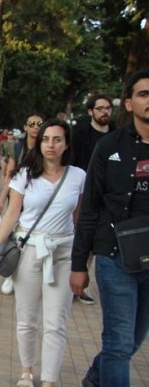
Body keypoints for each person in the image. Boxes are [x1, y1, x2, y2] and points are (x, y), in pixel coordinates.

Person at [0, 118, 86, 387]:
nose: (51, 145)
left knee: (56, 322)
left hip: (63, 252)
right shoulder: (25, 175)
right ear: (39, 143)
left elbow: (80, 218)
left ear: (66, 144)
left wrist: (83, 260)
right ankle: (27, 370)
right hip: (29, 250)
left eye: (57, 139)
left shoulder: (78, 176)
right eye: (46, 139)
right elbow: (12, 211)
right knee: (27, 318)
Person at [70, 68, 149, 387]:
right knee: (118, 343)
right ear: (129, 103)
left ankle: (96, 375)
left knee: (132, 341)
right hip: (115, 259)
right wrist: (79, 264)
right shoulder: (110, 147)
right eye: (143, 94)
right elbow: (90, 208)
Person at [70, 94, 115, 306]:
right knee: (78, 236)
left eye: (108, 108)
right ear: (91, 111)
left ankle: (82, 286)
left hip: (106, 197)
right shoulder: (79, 134)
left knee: (94, 241)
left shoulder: (116, 136)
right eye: (100, 108)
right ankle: (72, 278)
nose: (105, 112)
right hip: (81, 193)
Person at [0, 111, 45, 295]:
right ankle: (11, 272)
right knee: (16, 235)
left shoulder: (46, 147)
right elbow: (10, 175)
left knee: (34, 234)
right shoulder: (17, 147)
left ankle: (34, 274)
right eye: (32, 124)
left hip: (38, 200)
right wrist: (1, 201)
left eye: (39, 124)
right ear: (25, 127)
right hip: (17, 198)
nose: (36, 127)